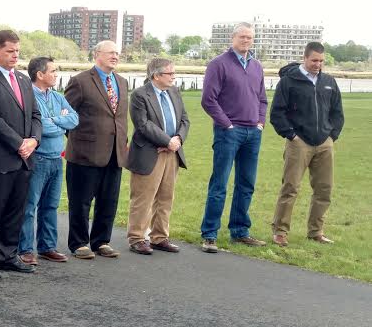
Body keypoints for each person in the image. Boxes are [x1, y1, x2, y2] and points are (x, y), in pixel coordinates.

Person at [0, 30, 43, 278]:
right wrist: (19, 143)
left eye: (17, 51)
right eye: (10, 51)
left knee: (15, 212)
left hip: (24, 160)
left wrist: (33, 140)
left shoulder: (23, 79)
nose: (15, 55)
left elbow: (35, 115)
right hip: (0, 159)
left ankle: (8, 256)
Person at [199, 22, 268, 252]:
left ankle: (239, 231)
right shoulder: (219, 64)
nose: (246, 40)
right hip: (228, 132)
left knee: (246, 184)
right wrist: (227, 124)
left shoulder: (256, 66)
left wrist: (260, 122)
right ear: (233, 38)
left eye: (250, 37)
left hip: (252, 133)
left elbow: (262, 99)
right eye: (242, 37)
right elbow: (208, 99)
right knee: (219, 184)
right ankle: (209, 234)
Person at [270, 41, 344, 246]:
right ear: (305, 58)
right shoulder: (288, 81)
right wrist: (291, 135)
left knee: (324, 189)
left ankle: (316, 231)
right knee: (290, 187)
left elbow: (337, 112)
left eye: (321, 61)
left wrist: (332, 136)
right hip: (298, 143)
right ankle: (280, 231)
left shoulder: (329, 81)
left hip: (324, 143)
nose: (318, 65)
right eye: (314, 60)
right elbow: (277, 113)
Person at [63, 40, 128, 260]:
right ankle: (79, 243)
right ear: (97, 54)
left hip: (115, 153)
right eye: (110, 53)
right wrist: (80, 141)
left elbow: (119, 117)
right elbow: (66, 116)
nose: (115, 56)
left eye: (117, 53)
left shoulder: (121, 82)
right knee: (81, 202)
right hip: (85, 154)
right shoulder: (80, 81)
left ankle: (101, 241)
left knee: (108, 201)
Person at [17, 56, 78, 265]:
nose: (56, 75)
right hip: (38, 159)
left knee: (51, 205)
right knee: (29, 206)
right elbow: (39, 127)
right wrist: (60, 122)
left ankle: (47, 247)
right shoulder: (28, 97)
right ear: (40, 74)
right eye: (53, 71)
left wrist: (54, 121)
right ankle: (25, 249)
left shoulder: (58, 97)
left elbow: (74, 119)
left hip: (56, 160)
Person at [125, 58, 190, 255]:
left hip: (172, 152)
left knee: (166, 196)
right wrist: (166, 141)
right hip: (149, 152)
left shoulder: (174, 91)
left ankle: (159, 237)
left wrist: (178, 139)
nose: (173, 77)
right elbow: (143, 124)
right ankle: (137, 238)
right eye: (170, 73)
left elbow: (184, 119)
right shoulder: (139, 95)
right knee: (143, 197)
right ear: (156, 75)